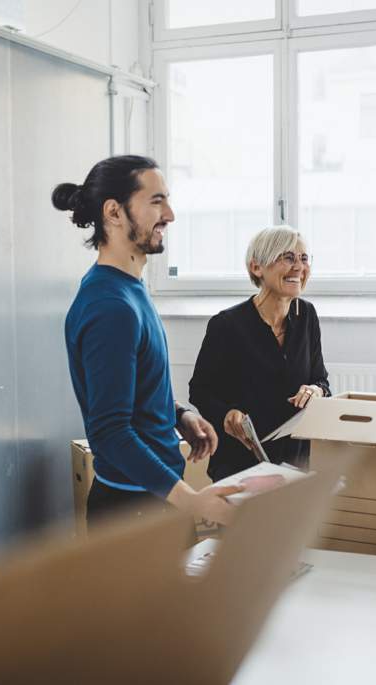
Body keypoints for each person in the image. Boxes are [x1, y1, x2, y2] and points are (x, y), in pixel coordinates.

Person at [53, 155, 242, 528]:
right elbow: (109, 432)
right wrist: (191, 502)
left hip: (151, 499)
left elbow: (135, 390)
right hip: (132, 511)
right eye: (156, 201)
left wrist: (179, 416)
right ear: (114, 212)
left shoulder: (129, 289)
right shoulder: (110, 306)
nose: (169, 214)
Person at [189, 226, 331, 483]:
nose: (299, 267)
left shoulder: (307, 315)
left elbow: (322, 381)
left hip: (294, 462)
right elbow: (199, 390)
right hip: (240, 464)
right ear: (257, 267)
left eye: (304, 258)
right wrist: (226, 414)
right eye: (288, 257)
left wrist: (315, 390)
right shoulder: (226, 325)